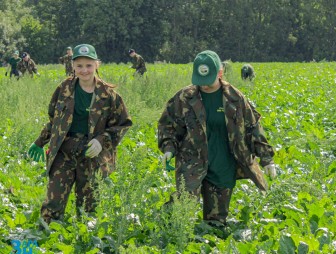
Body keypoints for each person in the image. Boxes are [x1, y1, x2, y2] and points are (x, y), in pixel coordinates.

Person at [158, 50, 276, 227]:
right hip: (192, 162)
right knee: (183, 206)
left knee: (216, 222)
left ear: (220, 74)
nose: (204, 86)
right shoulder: (184, 97)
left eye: (208, 81)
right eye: (200, 81)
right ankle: (165, 228)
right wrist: (168, 148)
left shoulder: (235, 99)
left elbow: (254, 128)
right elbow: (168, 125)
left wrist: (267, 159)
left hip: (223, 165)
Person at [27, 44, 132, 224]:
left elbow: (122, 124)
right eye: (80, 65)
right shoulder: (64, 89)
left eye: (89, 65)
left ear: (97, 65)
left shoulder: (109, 95)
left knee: (88, 208)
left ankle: (85, 242)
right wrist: (39, 141)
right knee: (53, 202)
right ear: (73, 66)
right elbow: (54, 120)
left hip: (91, 155)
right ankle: (46, 240)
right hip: (64, 151)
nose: (84, 70)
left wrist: (102, 140)